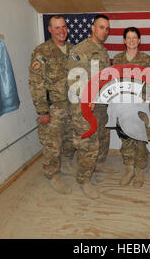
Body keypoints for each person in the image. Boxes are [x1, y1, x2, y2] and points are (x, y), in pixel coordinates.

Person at [66, 14, 112, 199]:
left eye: (107, 28)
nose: (104, 31)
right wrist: (86, 97)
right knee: (88, 144)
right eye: (101, 27)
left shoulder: (102, 50)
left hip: (99, 105)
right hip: (83, 107)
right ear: (93, 28)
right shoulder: (81, 49)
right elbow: (74, 79)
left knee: (100, 138)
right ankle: (84, 180)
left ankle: (94, 168)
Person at [28, 15, 75, 194]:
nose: (61, 31)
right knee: (52, 144)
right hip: (53, 107)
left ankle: (67, 164)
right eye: (56, 28)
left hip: (71, 105)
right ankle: (53, 174)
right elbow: (36, 83)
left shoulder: (72, 49)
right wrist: (42, 111)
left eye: (63, 27)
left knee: (70, 139)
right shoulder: (42, 52)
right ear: (50, 30)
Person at [112, 27, 150, 188]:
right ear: (124, 40)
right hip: (123, 107)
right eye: (128, 38)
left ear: (139, 40)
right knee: (126, 140)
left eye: (134, 37)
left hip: (140, 107)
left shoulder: (147, 60)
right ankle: (129, 168)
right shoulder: (117, 59)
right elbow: (113, 84)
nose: (131, 40)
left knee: (140, 140)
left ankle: (139, 171)